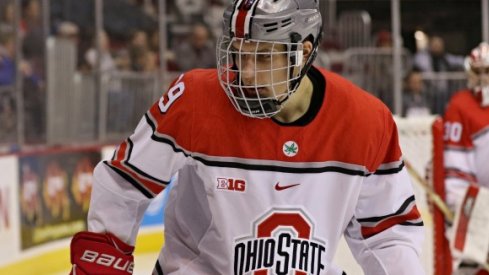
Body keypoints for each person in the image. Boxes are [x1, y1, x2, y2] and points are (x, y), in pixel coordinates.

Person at [69, 1, 426, 274]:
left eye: (263, 56)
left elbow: (389, 228)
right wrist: (102, 260)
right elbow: (124, 182)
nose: (247, 74)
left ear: (302, 52)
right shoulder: (196, 100)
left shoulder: (365, 120)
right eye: (240, 54)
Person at [443, 42, 489, 275]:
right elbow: (455, 161)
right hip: (477, 204)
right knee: (470, 263)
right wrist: (459, 201)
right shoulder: (461, 104)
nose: (482, 78)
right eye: (478, 71)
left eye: (487, 72)